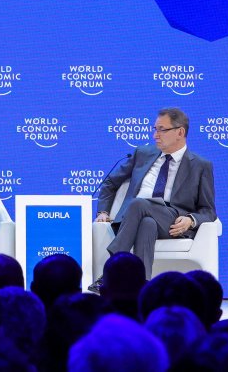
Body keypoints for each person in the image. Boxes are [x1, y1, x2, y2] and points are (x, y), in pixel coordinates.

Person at [89, 108, 216, 294]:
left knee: (139, 203)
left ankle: (110, 271)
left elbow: (209, 210)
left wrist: (191, 219)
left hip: (172, 222)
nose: (155, 135)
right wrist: (103, 212)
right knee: (147, 223)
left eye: (161, 130)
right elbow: (110, 182)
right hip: (134, 219)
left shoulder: (200, 165)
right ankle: (143, 287)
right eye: (154, 129)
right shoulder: (143, 153)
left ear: (180, 132)